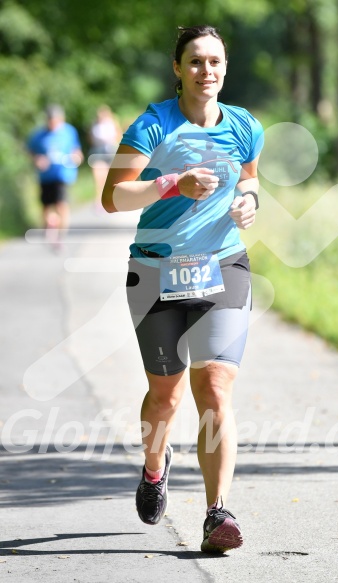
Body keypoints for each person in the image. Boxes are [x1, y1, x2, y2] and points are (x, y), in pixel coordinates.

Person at [102, 25, 264, 553]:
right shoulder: (152, 125)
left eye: (215, 62)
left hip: (222, 266)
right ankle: (155, 464)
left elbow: (250, 179)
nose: (206, 71)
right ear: (178, 68)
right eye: (195, 61)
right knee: (165, 397)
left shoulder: (243, 126)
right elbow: (114, 197)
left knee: (215, 388)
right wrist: (173, 182)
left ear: (225, 68)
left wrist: (250, 202)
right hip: (155, 272)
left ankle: (218, 514)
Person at [27, 104, 83, 249]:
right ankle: (51, 226)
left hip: (63, 174)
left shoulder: (69, 132)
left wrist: (76, 157)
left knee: (61, 205)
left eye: (56, 120)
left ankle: (60, 237)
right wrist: (37, 160)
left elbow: (77, 151)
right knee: (46, 207)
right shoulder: (38, 135)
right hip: (45, 176)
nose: (53, 123)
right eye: (50, 120)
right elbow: (30, 152)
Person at [88, 105, 121, 211]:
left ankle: (111, 200)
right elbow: (90, 138)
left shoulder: (113, 122)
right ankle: (98, 201)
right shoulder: (94, 124)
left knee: (110, 178)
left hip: (110, 152)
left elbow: (119, 136)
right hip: (98, 152)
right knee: (98, 178)